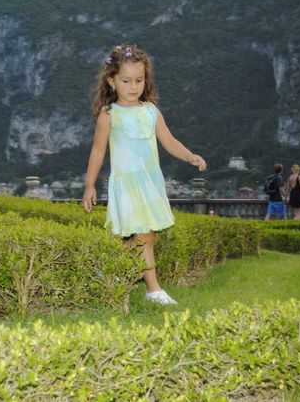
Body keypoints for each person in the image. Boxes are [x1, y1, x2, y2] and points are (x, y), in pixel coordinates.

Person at [82, 44, 207, 306]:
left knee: (146, 236)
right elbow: (97, 151)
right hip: (128, 183)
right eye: (126, 81)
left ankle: (110, 268)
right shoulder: (109, 115)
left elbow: (169, 141)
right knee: (143, 236)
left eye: (139, 80)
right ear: (112, 81)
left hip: (150, 182)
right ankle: (154, 290)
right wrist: (89, 185)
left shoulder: (151, 110)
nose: (133, 86)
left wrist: (189, 156)